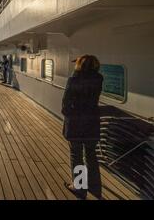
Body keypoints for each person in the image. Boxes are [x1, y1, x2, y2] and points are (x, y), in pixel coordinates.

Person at [62, 55, 104, 200]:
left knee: (76, 155)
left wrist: (68, 115)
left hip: (76, 124)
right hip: (92, 123)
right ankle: (95, 187)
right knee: (91, 155)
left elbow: (66, 103)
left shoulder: (74, 79)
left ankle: (80, 188)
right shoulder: (99, 79)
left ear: (80, 65)